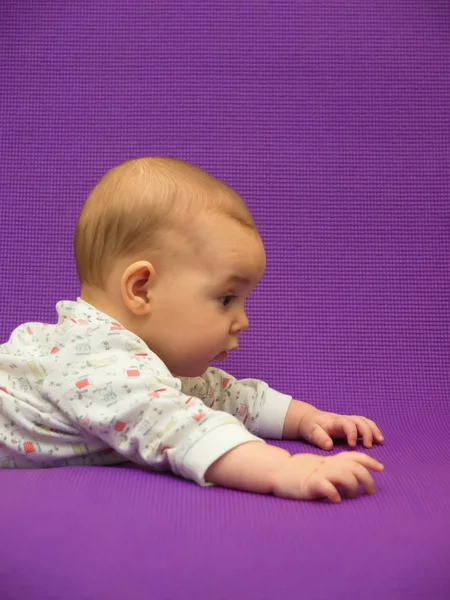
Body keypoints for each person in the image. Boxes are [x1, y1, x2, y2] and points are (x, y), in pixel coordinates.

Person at [0, 157, 384, 502]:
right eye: (226, 299)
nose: (243, 320)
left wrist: (305, 418)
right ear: (141, 289)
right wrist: (283, 469)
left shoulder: (141, 361)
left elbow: (222, 395)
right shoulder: (100, 367)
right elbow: (182, 428)